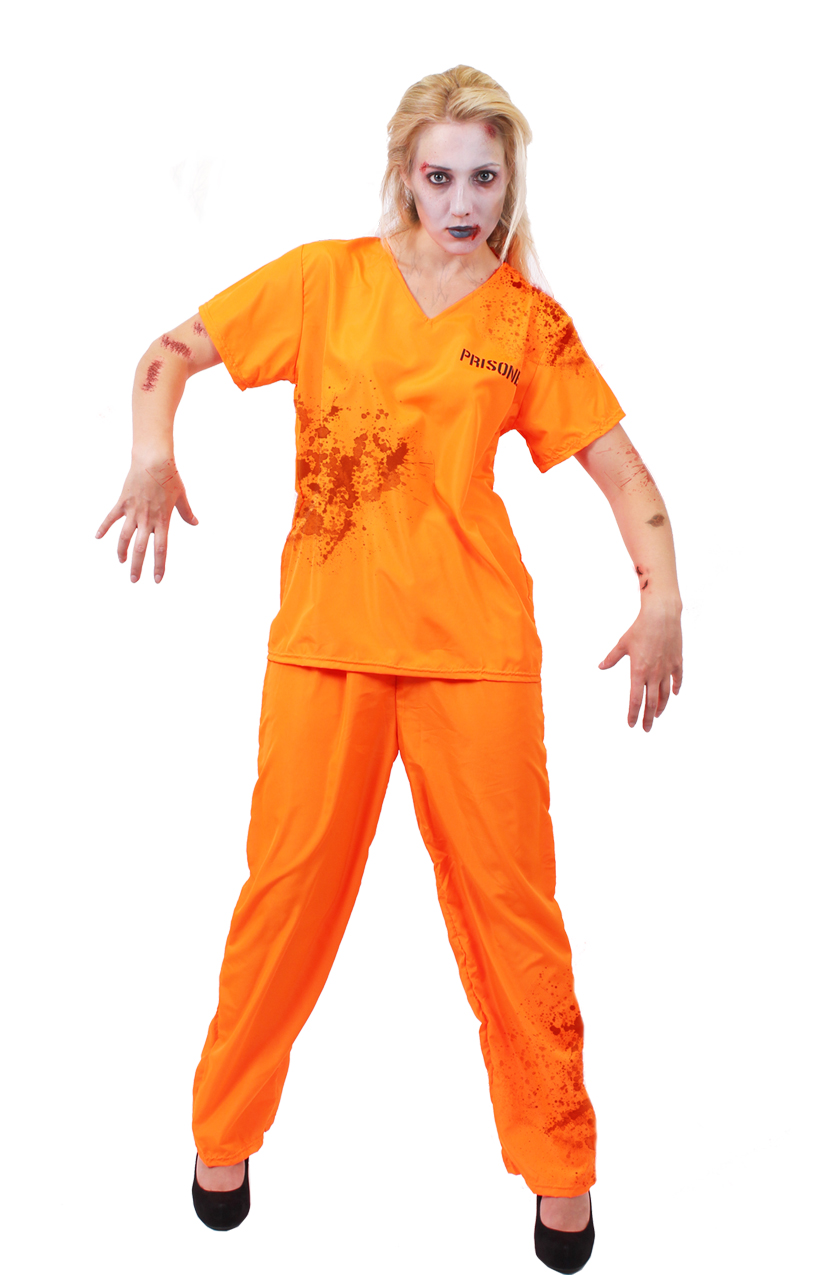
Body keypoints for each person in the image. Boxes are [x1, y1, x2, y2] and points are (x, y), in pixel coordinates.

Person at [96, 65, 683, 1272]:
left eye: (485, 178)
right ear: (405, 175)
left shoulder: (526, 324)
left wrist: (662, 593)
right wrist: (152, 452)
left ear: (510, 182)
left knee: (514, 914)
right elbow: (168, 351)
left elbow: (621, 469)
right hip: (327, 646)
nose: (463, 202)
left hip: (475, 656)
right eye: (440, 176)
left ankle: (560, 1165)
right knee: (286, 899)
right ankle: (224, 1134)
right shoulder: (326, 281)